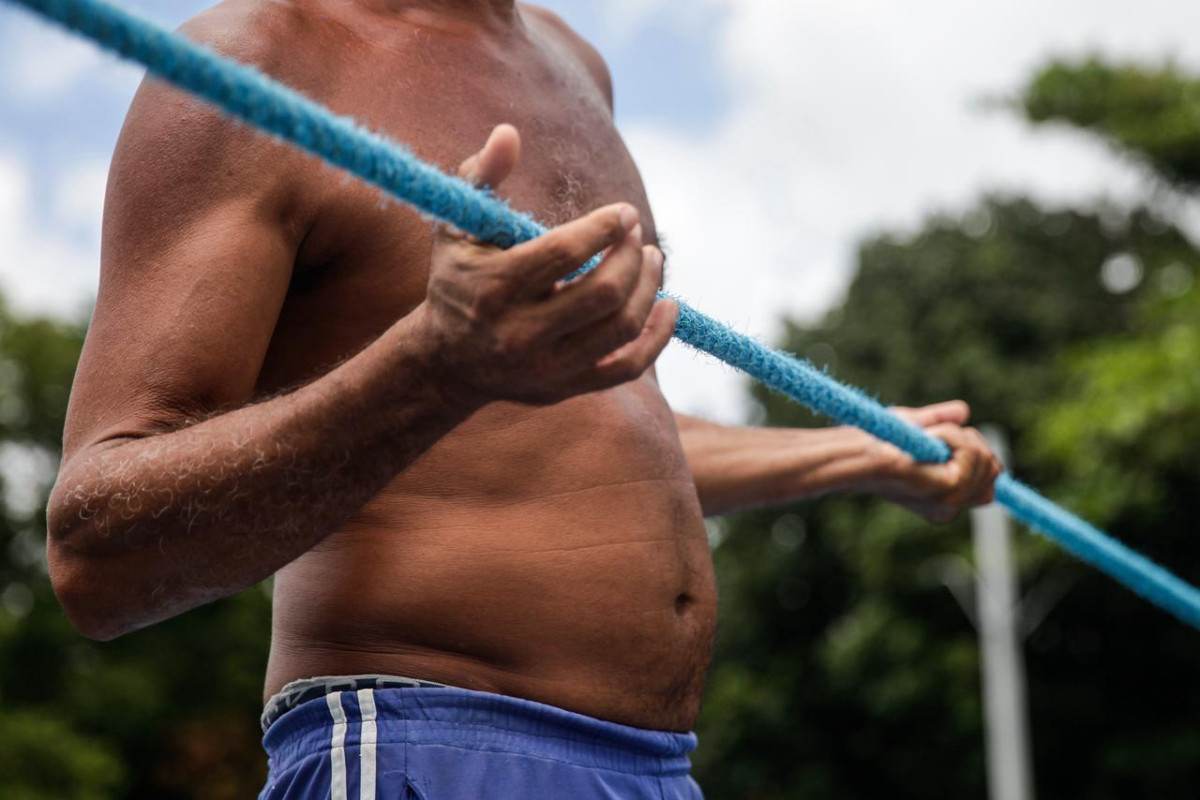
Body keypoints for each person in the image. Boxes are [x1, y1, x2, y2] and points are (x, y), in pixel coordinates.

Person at [46, 1, 1002, 797]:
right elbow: (95, 553)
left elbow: (586, 433)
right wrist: (433, 367)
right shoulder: (257, 59)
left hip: (657, 769)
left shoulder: (575, 63)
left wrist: (850, 454)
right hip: (424, 745)